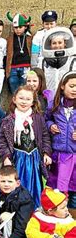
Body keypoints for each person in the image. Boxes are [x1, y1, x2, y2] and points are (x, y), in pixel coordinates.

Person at [0, 85, 52, 208]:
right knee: (16, 185)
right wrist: (6, 156)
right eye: (21, 98)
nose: (24, 101)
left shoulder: (38, 118)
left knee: (35, 186)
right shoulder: (8, 120)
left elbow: (45, 137)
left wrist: (46, 153)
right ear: (14, 99)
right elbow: (2, 141)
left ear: (33, 102)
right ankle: (16, 211)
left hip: (34, 160)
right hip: (17, 159)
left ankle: (34, 211)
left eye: (28, 99)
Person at [45, 71, 76, 218]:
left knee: (74, 191)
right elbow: (46, 119)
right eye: (72, 86)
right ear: (63, 86)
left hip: (74, 156)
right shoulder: (54, 104)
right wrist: (51, 125)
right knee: (57, 190)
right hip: (59, 155)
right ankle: (57, 219)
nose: (75, 89)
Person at [41, 26, 76, 93]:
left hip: (65, 99)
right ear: (50, 45)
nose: (57, 46)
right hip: (48, 98)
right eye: (54, 43)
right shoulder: (43, 62)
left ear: (64, 44)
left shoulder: (72, 61)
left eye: (60, 42)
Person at [6, 12, 32, 94]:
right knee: (14, 90)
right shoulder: (10, 38)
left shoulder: (30, 37)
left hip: (26, 67)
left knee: (26, 89)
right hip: (13, 67)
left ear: (25, 27)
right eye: (15, 27)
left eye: (20, 27)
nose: (18, 29)